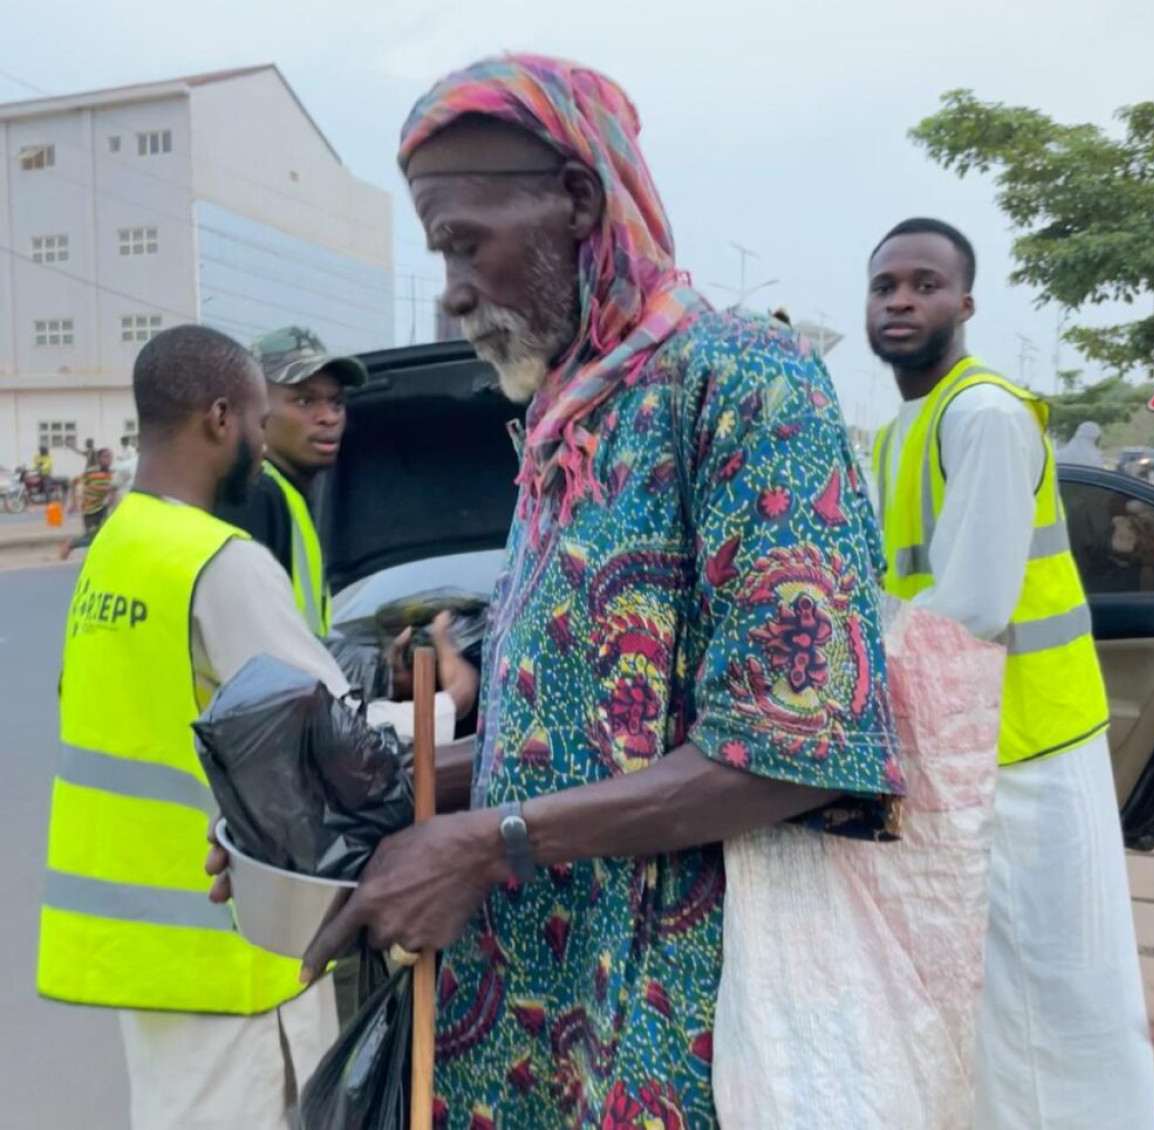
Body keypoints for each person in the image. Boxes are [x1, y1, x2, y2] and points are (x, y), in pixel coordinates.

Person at [208, 55, 902, 1127]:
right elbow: (563, 736)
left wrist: (488, 841)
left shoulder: (746, 388)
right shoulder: (562, 419)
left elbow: (795, 748)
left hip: (667, 1010)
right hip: (518, 1002)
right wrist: (340, 817)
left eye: (463, 241)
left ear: (578, 200)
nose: (449, 286)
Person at [36, 325, 460, 1130]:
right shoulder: (215, 561)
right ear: (220, 417)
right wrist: (448, 702)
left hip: (144, 943)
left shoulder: (119, 546)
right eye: (264, 419)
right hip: (226, 937)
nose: (266, 443)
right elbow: (339, 738)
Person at [867, 217, 1154, 1129]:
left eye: (924, 283)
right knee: (1000, 998)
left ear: (966, 301)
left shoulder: (984, 413)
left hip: (1027, 749)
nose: (902, 300)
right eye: (885, 286)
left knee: (1056, 1000)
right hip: (974, 751)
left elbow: (973, 606)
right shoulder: (900, 429)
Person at [215, 326, 366, 637]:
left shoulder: (288, 495)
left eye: (337, 402)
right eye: (305, 401)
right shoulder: (254, 496)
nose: (329, 417)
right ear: (253, 408)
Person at [59, 447, 115, 560]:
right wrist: (73, 502)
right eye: (105, 457)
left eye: (110, 457)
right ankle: (71, 544)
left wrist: (111, 500)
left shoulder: (112, 474)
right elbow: (73, 483)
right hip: (89, 509)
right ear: (99, 459)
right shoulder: (91, 473)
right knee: (92, 537)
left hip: (102, 508)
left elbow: (114, 488)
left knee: (103, 535)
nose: (109, 460)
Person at [112, 434, 139, 503]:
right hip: (124, 470)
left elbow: (131, 460)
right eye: (122, 441)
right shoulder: (124, 449)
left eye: (124, 441)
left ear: (126, 441)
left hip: (129, 471)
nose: (122, 443)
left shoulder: (130, 450)